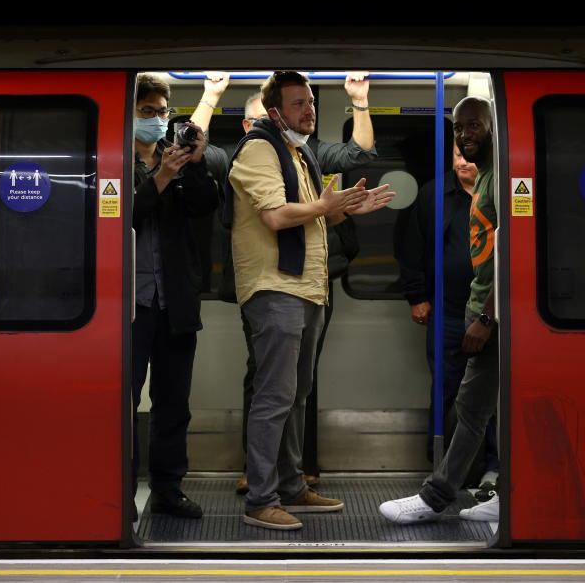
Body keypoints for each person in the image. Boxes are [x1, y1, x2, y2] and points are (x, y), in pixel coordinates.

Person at [225, 71, 394, 530]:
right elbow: (277, 216)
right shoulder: (260, 149)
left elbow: (311, 218)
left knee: (296, 395)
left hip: (307, 287)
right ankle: (261, 500)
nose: (309, 111)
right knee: (274, 395)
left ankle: (292, 486)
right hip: (276, 287)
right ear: (274, 111)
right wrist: (324, 206)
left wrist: (345, 208)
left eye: (311, 102)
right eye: (298, 103)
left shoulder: (298, 155)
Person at [379, 96, 501, 524]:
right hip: (460, 312)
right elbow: (412, 249)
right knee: (467, 405)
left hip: (494, 318)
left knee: (482, 406)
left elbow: (511, 256)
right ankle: (461, 489)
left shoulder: (502, 182)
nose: (465, 136)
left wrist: (487, 316)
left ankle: (469, 489)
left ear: (494, 128)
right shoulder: (450, 190)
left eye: (475, 127)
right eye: (459, 130)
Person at [131, 73, 229, 520]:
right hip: (128, 305)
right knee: (123, 401)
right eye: (146, 112)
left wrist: (196, 161)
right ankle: (119, 487)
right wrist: (161, 178)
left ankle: (169, 488)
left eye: (161, 113)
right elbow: (125, 213)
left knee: (173, 403)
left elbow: (206, 206)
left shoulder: (181, 161)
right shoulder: (115, 161)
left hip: (175, 301)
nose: (155, 120)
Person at [398, 143, 500, 491]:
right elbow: (413, 247)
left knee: (487, 393)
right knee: (445, 388)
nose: (461, 161)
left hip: (492, 311)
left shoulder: (498, 189)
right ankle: (441, 467)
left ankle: (492, 467)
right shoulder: (434, 194)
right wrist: (417, 296)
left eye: (467, 155)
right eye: (456, 154)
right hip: (448, 309)